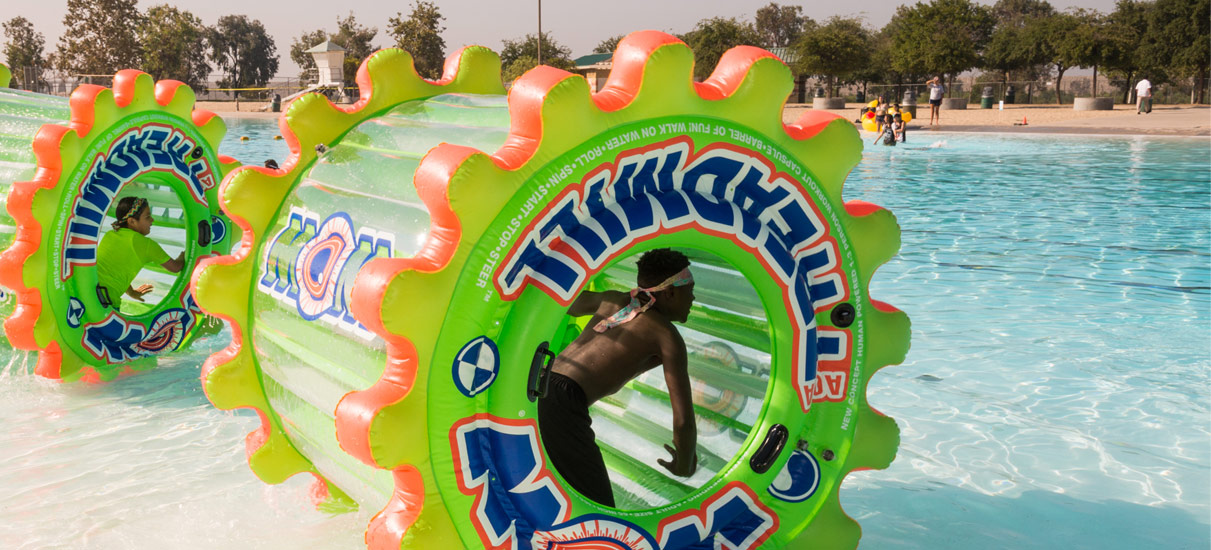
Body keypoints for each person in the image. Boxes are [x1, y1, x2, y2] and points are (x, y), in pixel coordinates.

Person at [537, 248, 698, 507]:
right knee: (598, 507)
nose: (693, 298)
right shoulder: (667, 337)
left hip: (538, 382)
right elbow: (683, 421)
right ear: (670, 292)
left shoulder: (612, 300)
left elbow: (564, 302)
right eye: (690, 290)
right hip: (564, 402)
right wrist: (685, 463)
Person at [95, 196, 185, 309]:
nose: (152, 220)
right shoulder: (146, 245)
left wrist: (131, 292)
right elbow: (175, 267)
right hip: (107, 303)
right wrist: (183, 255)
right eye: (147, 217)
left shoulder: (110, 235)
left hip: (88, 290)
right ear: (132, 221)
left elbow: (113, 270)